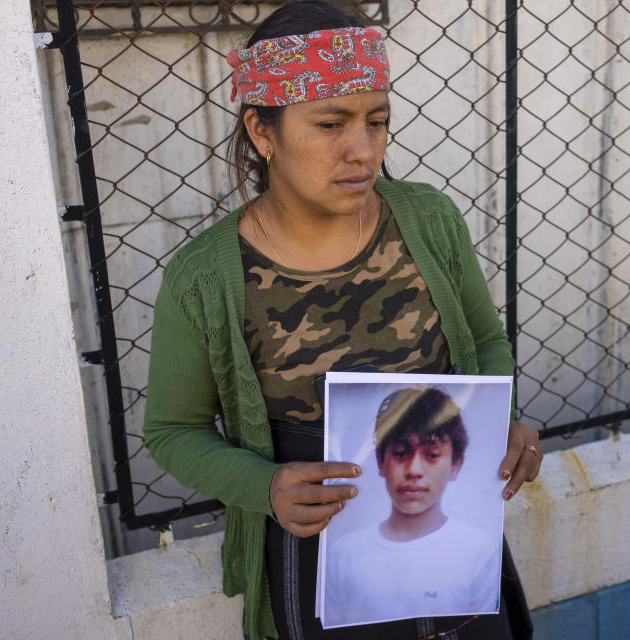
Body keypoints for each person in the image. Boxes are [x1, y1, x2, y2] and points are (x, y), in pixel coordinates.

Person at [142, 2, 544, 639]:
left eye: (377, 121)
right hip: (320, 560)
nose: (362, 150)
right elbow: (172, 429)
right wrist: (263, 484)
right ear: (261, 131)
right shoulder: (206, 278)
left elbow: (488, 343)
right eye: (330, 123)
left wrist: (498, 421)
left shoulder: (428, 222)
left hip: (453, 559)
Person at [324, 387, 502, 627]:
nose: (414, 470)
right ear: (380, 461)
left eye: (431, 455)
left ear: (455, 464)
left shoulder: (481, 553)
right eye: (400, 453)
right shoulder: (342, 555)